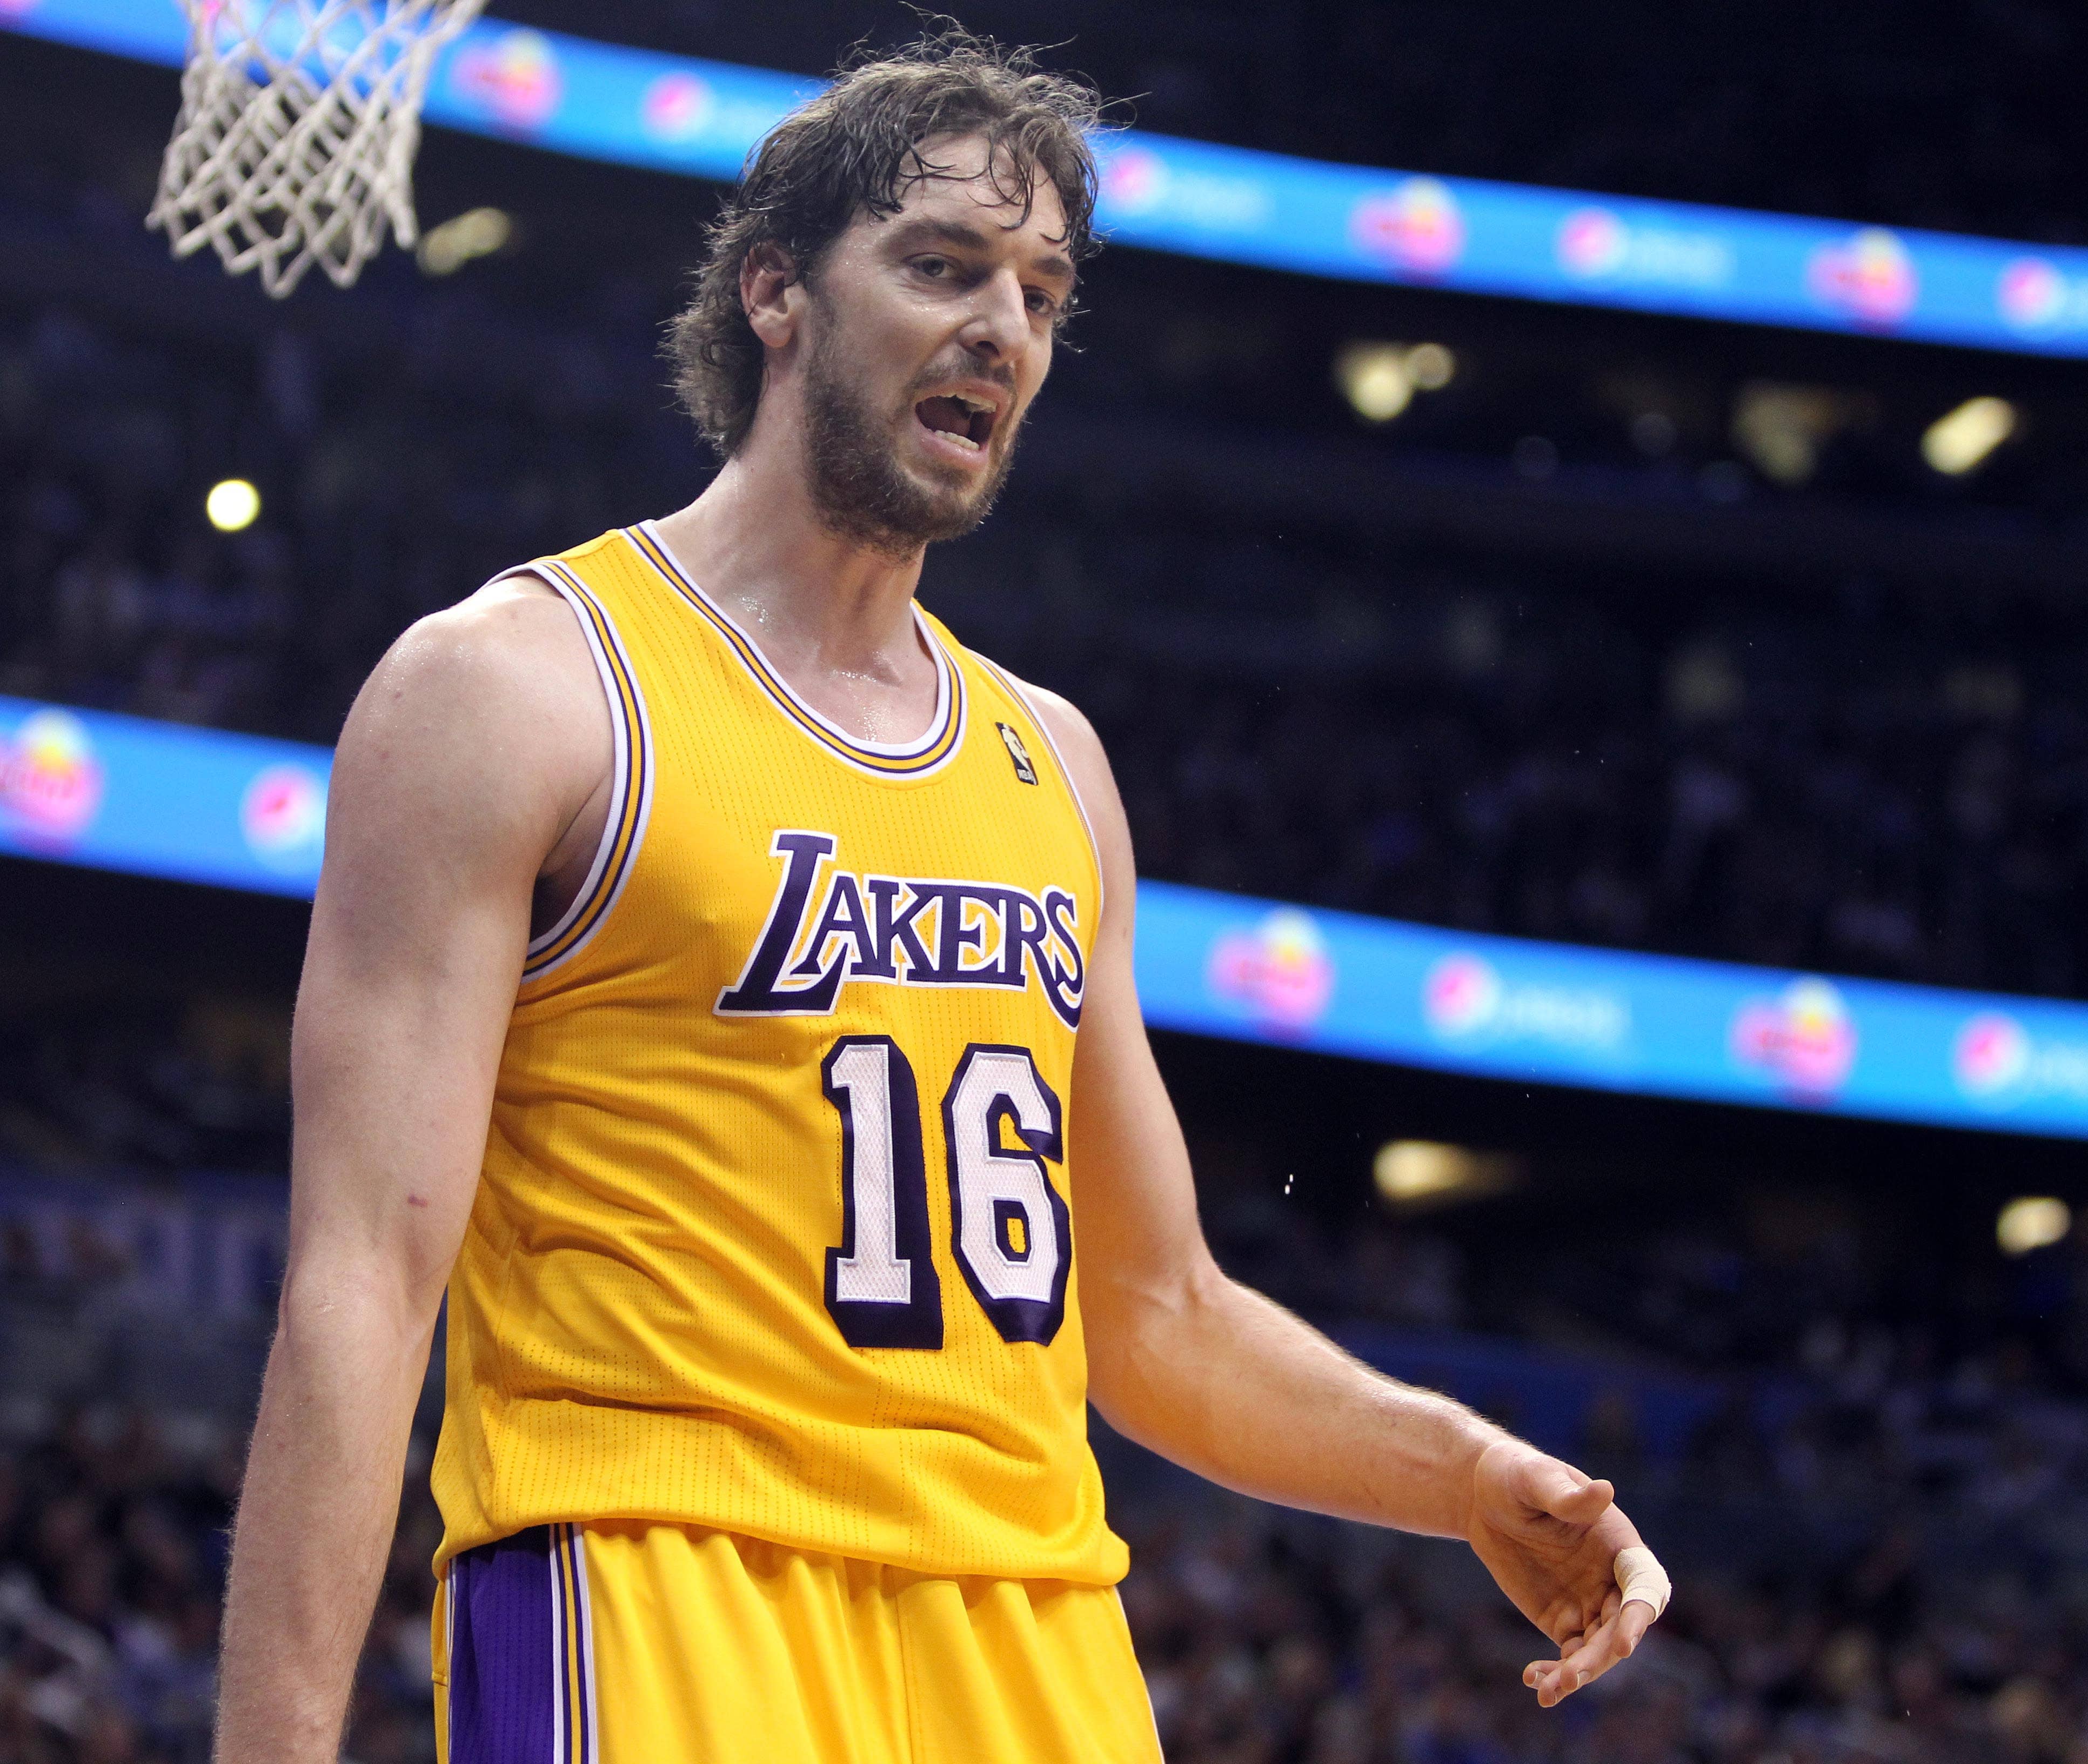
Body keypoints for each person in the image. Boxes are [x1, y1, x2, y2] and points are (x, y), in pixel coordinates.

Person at [212, 29, 1667, 1764]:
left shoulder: (1055, 767)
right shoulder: (519, 689)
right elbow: (363, 1283)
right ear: (776, 293)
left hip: (1030, 1634)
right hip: (663, 1594)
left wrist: (1463, 1471)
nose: (1005, 327)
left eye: (1043, 292)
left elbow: (1155, 1313)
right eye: (941, 265)